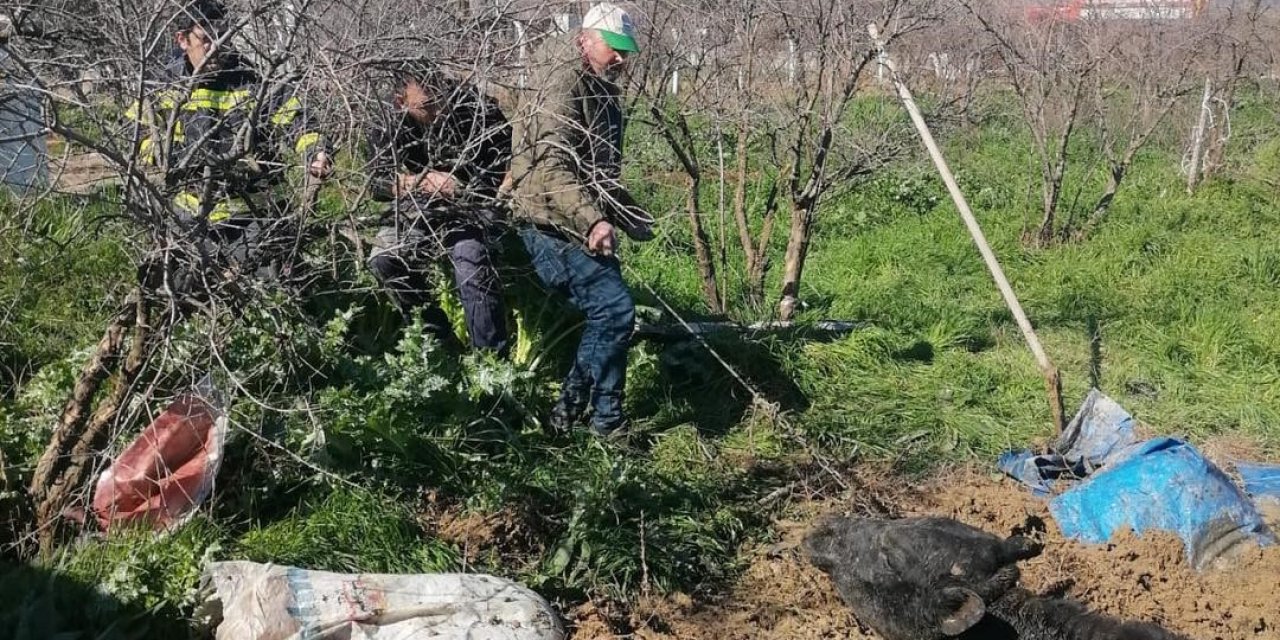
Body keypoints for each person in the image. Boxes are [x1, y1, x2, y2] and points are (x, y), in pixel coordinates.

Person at [504, 2, 655, 437]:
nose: (621, 58)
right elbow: (551, 167)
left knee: (611, 314)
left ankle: (580, 418)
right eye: (614, 48)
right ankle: (595, 419)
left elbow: (598, 172)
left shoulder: (601, 84)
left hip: (575, 219)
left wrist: (626, 213)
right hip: (547, 222)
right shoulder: (561, 80)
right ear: (586, 39)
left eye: (627, 50)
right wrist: (593, 221)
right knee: (614, 310)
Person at [127, 0, 331, 299]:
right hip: (192, 216)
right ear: (182, 40)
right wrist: (164, 159)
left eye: (224, 37)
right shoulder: (163, 84)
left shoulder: (251, 78)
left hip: (256, 214)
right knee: (172, 289)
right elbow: (137, 135)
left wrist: (315, 152)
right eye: (206, 39)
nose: (217, 48)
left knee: (274, 292)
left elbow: (296, 119)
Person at [365, 65, 511, 354]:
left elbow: (509, 159)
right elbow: (376, 181)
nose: (440, 109)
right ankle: (440, 343)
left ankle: (491, 361)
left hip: (476, 200)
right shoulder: (386, 122)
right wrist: (420, 181)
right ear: (401, 102)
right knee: (384, 258)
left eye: (442, 97)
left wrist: (490, 196)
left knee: (470, 263)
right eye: (428, 105)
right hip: (422, 201)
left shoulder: (473, 106)